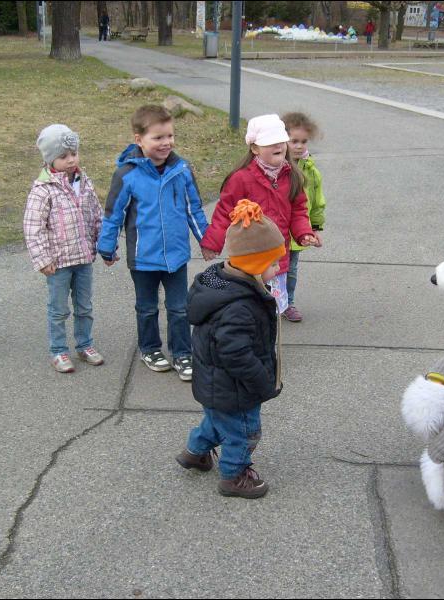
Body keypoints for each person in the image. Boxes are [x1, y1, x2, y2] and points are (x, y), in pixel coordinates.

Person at [176, 199, 285, 499]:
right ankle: (234, 475)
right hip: (235, 388)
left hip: (216, 385)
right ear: (254, 265)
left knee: (217, 420)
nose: (278, 269)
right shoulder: (240, 307)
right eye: (273, 264)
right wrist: (262, 383)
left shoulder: (224, 284)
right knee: (244, 431)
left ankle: (195, 453)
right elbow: (236, 354)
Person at [97, 105, 208, 381]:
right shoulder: (127, 174)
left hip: (175, 256)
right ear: (139, 140)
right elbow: (113, 215)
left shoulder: (181, 170)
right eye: (158, 137)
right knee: (146, 307)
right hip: (143, 257)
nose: (166, 142)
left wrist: (207, 240)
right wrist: (107, 246)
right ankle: (150, 348)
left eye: (169, 135)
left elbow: (193, 208)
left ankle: (183, 353)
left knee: (180, 308)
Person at [199, 114, 320, 318]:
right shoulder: (241, 178)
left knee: (272, 310)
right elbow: (224, 212)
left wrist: (303, 233)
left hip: (276, 258)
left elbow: (299, 210)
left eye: (281, 141)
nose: (278, 146)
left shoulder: (292, 176)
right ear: (255, 148)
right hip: (249, 258)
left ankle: (269, 347)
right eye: (270, 142)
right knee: (249, 309)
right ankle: (249, 344)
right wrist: (212, 242)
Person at [24, 124, 104, 374]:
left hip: (83, 258)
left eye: (74, 154)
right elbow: (33, 227)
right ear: (50, 159)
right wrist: (42, 259)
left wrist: (105, 246)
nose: (71, 160)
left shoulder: (84, 181)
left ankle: (85, 344)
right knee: (58, 309)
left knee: (85, 306)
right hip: (57, 262)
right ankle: (58, 350)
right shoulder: (43, 189)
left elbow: (96, 214)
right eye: (63, 156)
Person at [280, 112, 327, 323]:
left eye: (303, 142)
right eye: (294, 141)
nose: (299, 146)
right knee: (270, 269)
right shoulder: (276, 166)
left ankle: (288, 303)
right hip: (275, 230)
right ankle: (268, 302)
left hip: (299, 232)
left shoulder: (310, 169)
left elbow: (316, 201)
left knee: (291, 269)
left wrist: (315, 227)